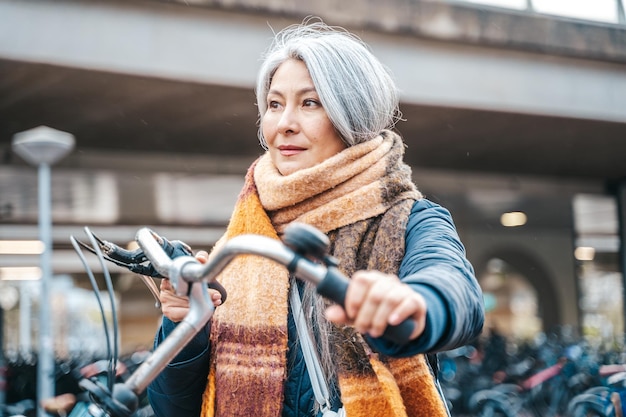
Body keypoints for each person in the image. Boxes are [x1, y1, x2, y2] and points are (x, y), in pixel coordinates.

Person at [147, 18, 484, 417]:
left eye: (310, 102)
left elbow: (456, 290)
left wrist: (414, 303)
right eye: (274, 104)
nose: (284, 123)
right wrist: (189, 325)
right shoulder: (244, 236)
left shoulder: (411, 218)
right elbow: (171, 408)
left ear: (351, 116)